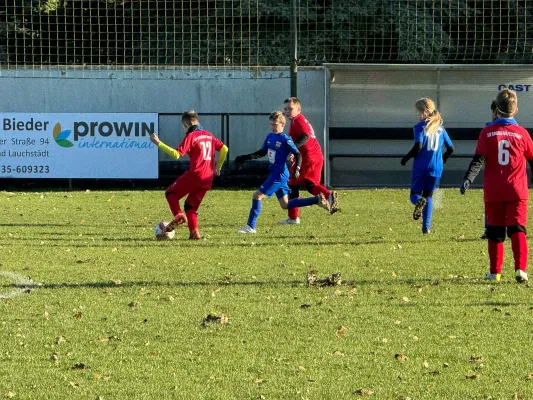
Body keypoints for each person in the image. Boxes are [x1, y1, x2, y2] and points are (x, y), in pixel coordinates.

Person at [461, 89, 533, 283]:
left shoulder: (487, 132)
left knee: (495, 231)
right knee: (518, 229)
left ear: (496, 110)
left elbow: (478, 160)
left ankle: (495, 272)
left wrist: (468, 177)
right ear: (516, 110)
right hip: (517, 190)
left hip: (494, 190)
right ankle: (521, 269)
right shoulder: (522, 133)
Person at [234, 111, 331, 233]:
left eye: (275, 124)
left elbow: (298, 154)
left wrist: (297, 169)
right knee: (285, 204)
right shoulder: (270, 137)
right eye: (271, 124)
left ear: (282, 124)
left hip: (279, 175)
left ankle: (250, 227)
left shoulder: (286, 139)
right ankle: (316, 200)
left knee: (257, 196)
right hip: (275, 173)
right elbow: (262, 152)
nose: (273, 127)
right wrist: (245, 157)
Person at [149, 110, 228, 240]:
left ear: (185, 124)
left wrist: (159, 143)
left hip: (195, 174)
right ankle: (194, 233)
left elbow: (176, 155)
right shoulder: (209, 135)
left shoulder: (191, 136)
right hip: (208, 178)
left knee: (170, 193)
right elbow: (224, 149)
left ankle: (178, 215)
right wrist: (218, 167)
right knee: (190, 206)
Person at [279, 97, 339, 225]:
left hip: (309, 157)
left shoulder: (297, 121)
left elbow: (305, 136)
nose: (287, 112)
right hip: (316, 156)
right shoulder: (298, 120)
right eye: (285, 109)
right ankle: (328, 195)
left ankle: (293, 218)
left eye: (290, 109)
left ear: (298, 109)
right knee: (310, 185)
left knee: (292, 184)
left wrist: (291, 149)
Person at [401, 98, 454, 234]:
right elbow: (451, 148)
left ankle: (418, 202)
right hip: (436, 168)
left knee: (414, 195)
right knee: (429, 195)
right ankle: (426, 227)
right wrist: (443, 159)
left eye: (417, 112)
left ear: (424, 112)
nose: (416, 115)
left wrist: (405, 158)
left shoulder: (419, 127)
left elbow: (418, 146)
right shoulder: (440, 129)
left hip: (421, 167)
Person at [480, 100, 499, 240]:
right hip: (510, 172)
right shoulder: (516, 129)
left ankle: (488, 229)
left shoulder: (488, 128)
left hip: (493, 173)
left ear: (494, 112)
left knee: (490, 202)